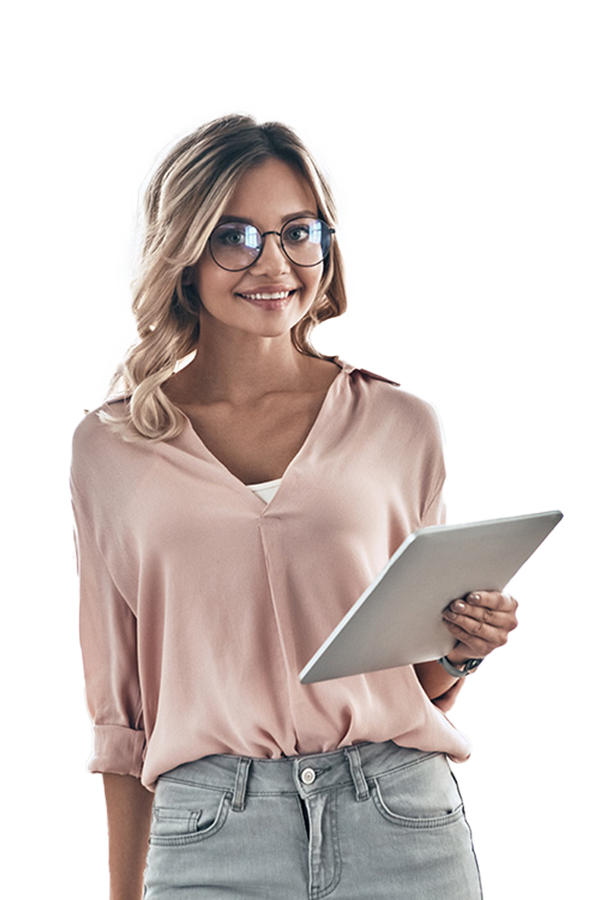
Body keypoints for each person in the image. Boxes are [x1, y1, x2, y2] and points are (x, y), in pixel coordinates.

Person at [70, 110, 519, 899]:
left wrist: (461, 649)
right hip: (210, 836)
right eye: (235, 236)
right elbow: (120, 722)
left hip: (402, 820)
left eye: (297, 232)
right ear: (183, 254)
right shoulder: (111, 449)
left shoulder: (398, 423)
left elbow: (414, 678)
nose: (274, 263)